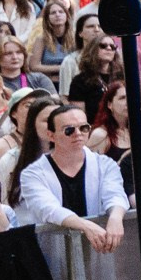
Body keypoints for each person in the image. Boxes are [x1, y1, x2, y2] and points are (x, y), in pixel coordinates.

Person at [16, 104, 129, 252]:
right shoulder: (32, 174)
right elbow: (48, 209)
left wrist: (116, 217)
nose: (78, 134)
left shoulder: (105, 164)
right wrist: (85, 226)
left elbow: (115, 195)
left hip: (99, 248)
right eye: (69, 130)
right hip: (53, 251)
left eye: (84, 128)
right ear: (51, 135)